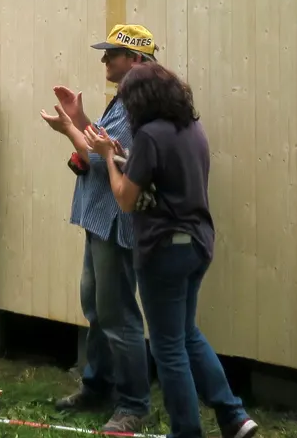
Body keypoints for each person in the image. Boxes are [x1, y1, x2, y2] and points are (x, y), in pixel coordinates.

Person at [90, 64, 259, 438]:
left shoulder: (149, 134)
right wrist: (124, 157)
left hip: (164, 249)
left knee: (167, 348)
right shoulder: (191, 128)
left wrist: (105, 157)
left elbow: (126, 199)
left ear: (140, 101)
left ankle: (186, 430)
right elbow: (163, 176)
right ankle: (234, 415)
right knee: (187, 335)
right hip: (198, 243)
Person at [38, 25, 157, 434]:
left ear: (137, 59)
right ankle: (97, 386)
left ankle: (133, 406)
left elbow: (108, 157)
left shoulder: (142, 100)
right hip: (99, 216)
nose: (104, 60)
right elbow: (108, 145)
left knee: (118, 314)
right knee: (95, 307)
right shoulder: (124, 97)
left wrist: (68, 128)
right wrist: (81, 118)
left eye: (113, 54)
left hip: (115, 220)